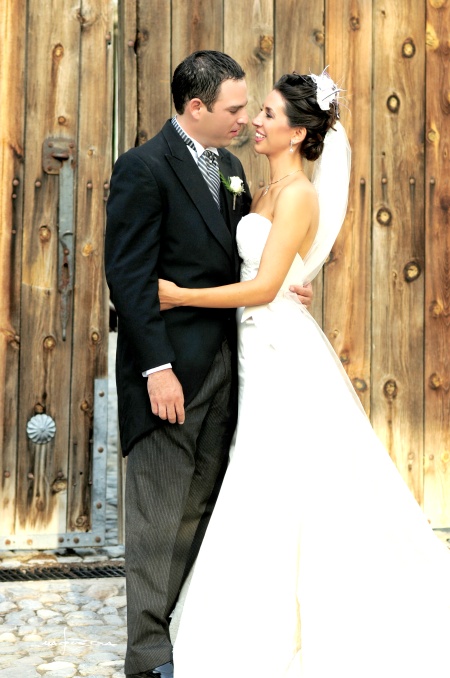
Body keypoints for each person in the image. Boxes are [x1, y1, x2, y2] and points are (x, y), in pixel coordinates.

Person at [158, 71, 450, 678]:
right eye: (255, 112)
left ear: (297, 132)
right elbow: (273, 269)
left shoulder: (298, 195)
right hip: (252, 346)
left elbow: (263, 287)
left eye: (266, 114)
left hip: (278, 353)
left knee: (273, 472)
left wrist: (180, 296)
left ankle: (296, 626)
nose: (254, 123)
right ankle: (258, 616)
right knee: (263, 470)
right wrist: (292, 280)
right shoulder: (259, 187)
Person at [104, 51, 312, 678]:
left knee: (198, 510)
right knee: (156, 516)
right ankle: (145, 658)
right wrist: (155, 369)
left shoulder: (229, 168)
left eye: (250, 108)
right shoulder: (143, 168)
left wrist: (283, 281)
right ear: (196, 108)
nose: (244, 119)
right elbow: (131, 278)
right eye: (234, 109)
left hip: (230, 367)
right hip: (170, 372)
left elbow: (242, 258)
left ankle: (183, 633)